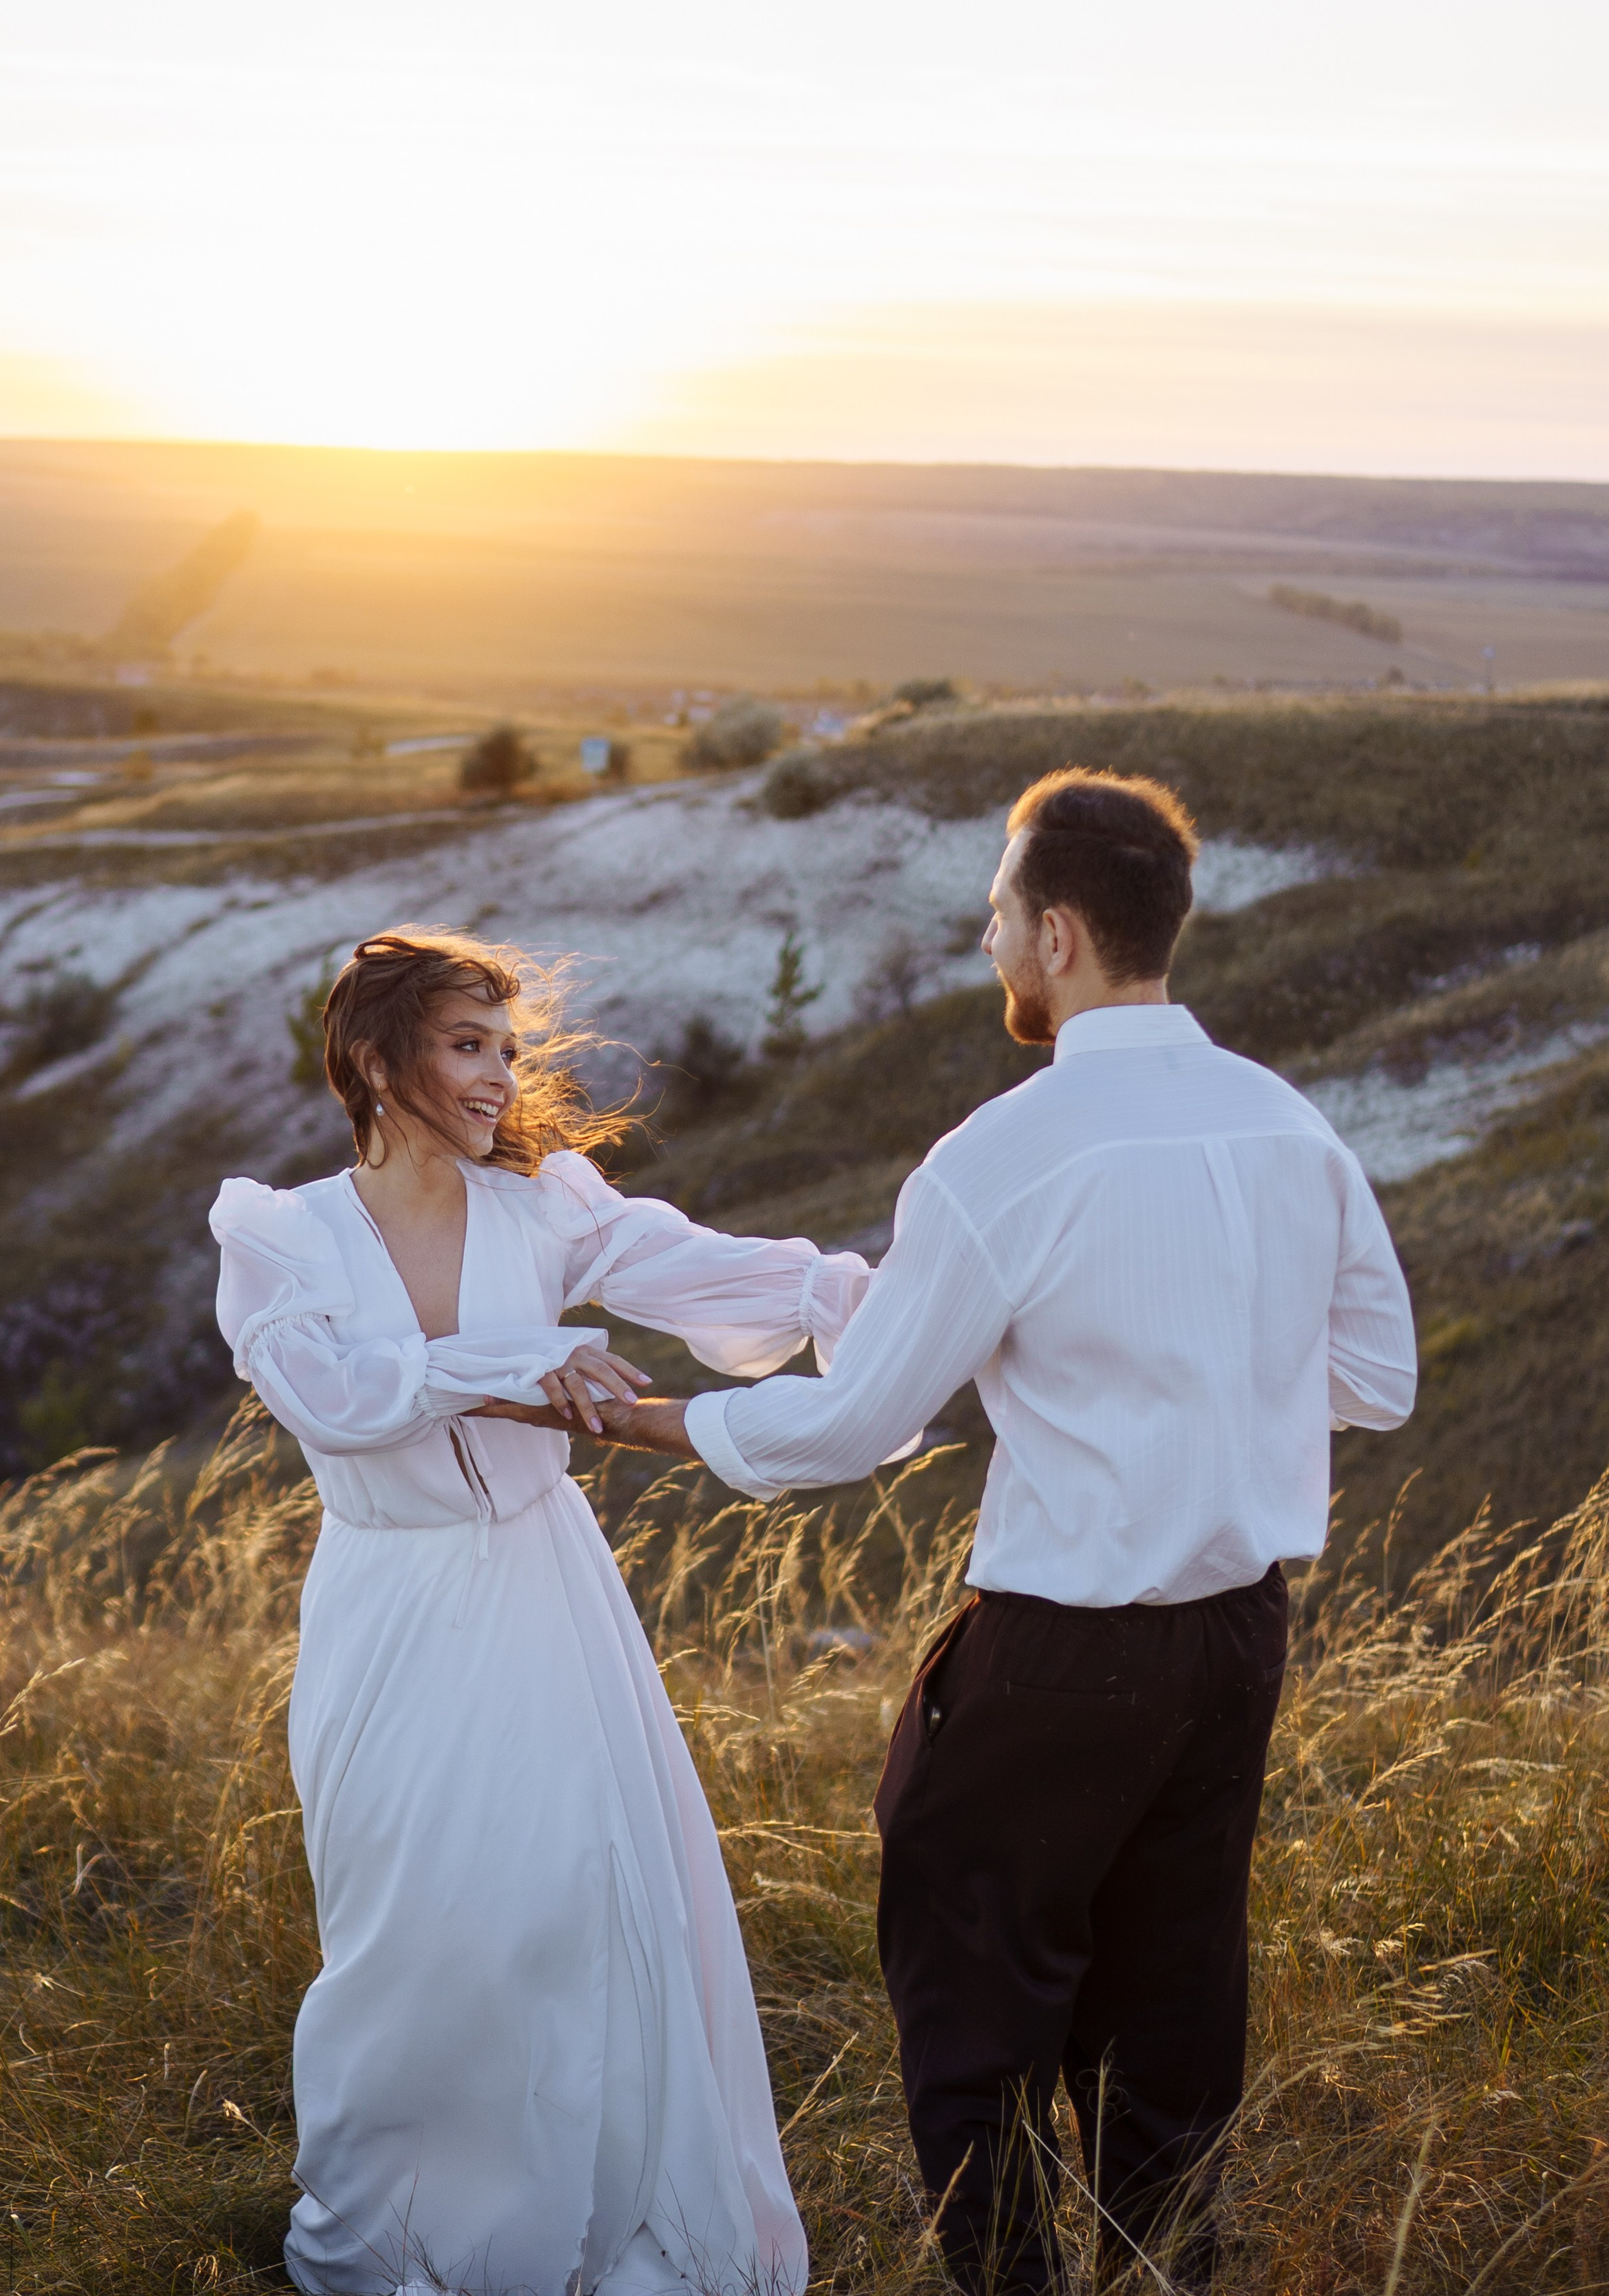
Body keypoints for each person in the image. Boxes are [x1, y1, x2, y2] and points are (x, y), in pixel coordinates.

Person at [520, 770, 1418, 2293]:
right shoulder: (1287, 1126)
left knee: (969, 2012)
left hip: (1061, 1650)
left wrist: (657, 1422)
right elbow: (1377, 1381)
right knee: (1171, 2006)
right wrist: (1199, 1384)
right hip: (1235, 1637)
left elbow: (857, 1422)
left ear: (1055, 935)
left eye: (999, 909)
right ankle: (1161, 2275)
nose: (986, 931)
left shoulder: (1004, 1157)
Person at [209, 926, 870, 2296]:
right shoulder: (281, 1240)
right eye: (466, 1046)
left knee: (567, 1907)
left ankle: (595, 2214)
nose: (499, 1079)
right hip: (386, 1609)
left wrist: (875, 1299)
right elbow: (338, 1396)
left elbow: (708, 1273)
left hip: (540, 1587)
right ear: (372, 1061)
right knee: (414, 1929)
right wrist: (524, 1357)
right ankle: (413, 2229)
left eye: (507, 1051)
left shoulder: (546, 1211)